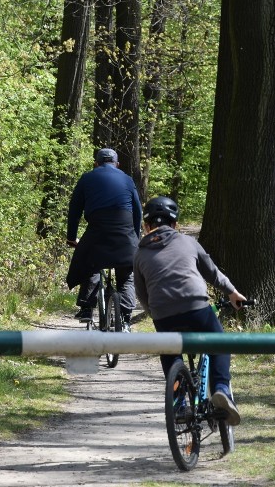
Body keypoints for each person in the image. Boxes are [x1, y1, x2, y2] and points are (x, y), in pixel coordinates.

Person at [133, 196, 248, 425]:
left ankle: (178, 403)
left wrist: (155, 313)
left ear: (146, 226)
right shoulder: (188, 242)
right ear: (175, 224)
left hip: (162, 314)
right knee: (220, 343)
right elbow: (212, 273)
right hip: (196, 306)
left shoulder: (140, 254)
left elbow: (141, 293)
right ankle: (222, 389)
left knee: (169, 353)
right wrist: (232, 292)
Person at [66, 148, 142, 328]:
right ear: (117, 164)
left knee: (90, 264)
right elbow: (138, 211)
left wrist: (71, 238)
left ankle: (86, 307)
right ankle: (126, 316)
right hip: (125, 233)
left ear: (96, 163)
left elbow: (74, 211)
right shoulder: (127, 179)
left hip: (97, 230)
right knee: (126, 274)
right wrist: (135, 238)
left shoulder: (87, 178)